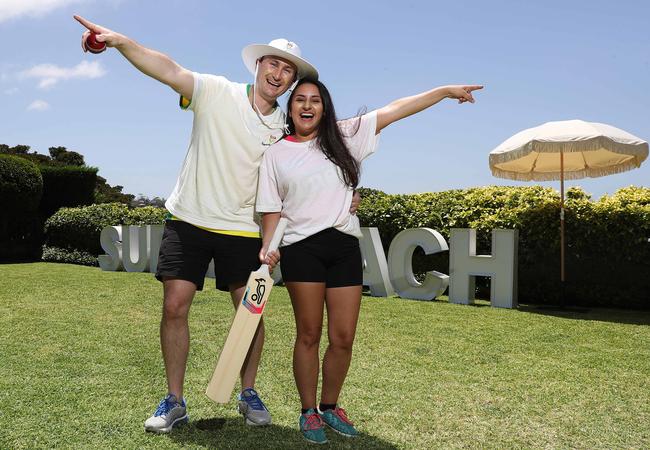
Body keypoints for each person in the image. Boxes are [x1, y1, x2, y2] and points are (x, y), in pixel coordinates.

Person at [73, 15, 330, 433]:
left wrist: (346, 193)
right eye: (273, 64)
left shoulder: (287, 126)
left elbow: (308, 172)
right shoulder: (215, 91)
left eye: (287, 70)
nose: (278, 74)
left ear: (291, 80)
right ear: (259, 65)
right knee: (174, 306)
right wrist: (120, 42)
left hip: (245, 230)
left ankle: (247, 392)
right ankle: (174, 400)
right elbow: (168, 69)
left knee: (250, 315)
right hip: (189, 218)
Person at [256, 78, 482, 443]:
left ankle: (330, 407)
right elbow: (271, 208)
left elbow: (396, 109)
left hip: (344, 246)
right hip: (302, 250)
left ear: (324, 107)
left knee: (343, 337)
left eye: (315, 100)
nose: (307, 106)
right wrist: (268, 246)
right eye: (300, 100)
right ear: (291, 106)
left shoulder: (345, 135)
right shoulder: (275, 153)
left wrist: (442, 92)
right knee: (309, 334)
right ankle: (307, 412)